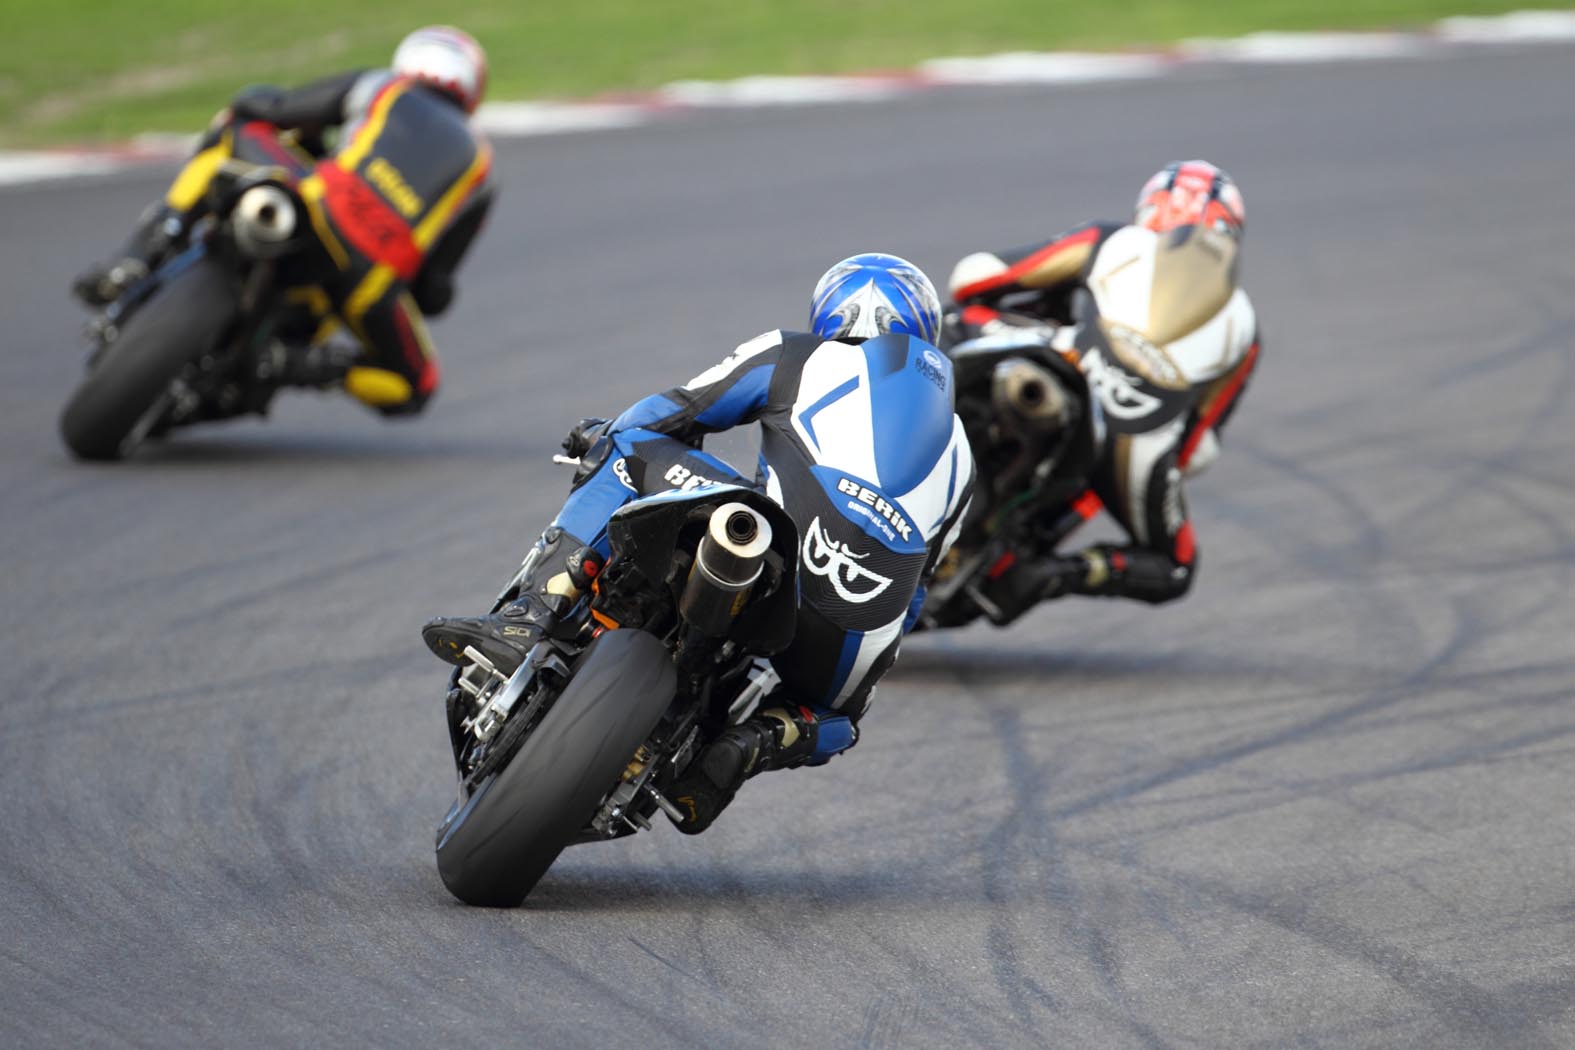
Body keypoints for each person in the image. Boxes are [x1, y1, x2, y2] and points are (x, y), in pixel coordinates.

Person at [422, 253, 975, 832]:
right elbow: (917, 594)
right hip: (845, 644)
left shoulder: (800, 354)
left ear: (829, 316)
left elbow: (680, 410)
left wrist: (601, 436)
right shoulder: (960, 454)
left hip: (775, 552)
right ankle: (754, 744)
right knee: (839, 719)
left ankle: (531, 613)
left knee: (631, 446)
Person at [71, 25, 495, 417]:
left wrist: (279, 123)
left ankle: (143, 251)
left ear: (410, 60)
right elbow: (433, 290)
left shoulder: (384, 87)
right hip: (368, 280)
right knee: (417, 385)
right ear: (473, 88)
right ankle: (296, 364)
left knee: (235, 127)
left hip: (316, 208)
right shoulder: (480, 169)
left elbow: (273, 107)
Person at [944, 160, 1261, 620]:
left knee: (955, 317)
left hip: (1060, 355)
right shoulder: (1244, 329)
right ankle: (1054, 573)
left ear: (1152, 211)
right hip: (1135, 449)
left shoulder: (1115, 241)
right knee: (1175, 567)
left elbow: (974, 276)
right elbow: (1196, 449)